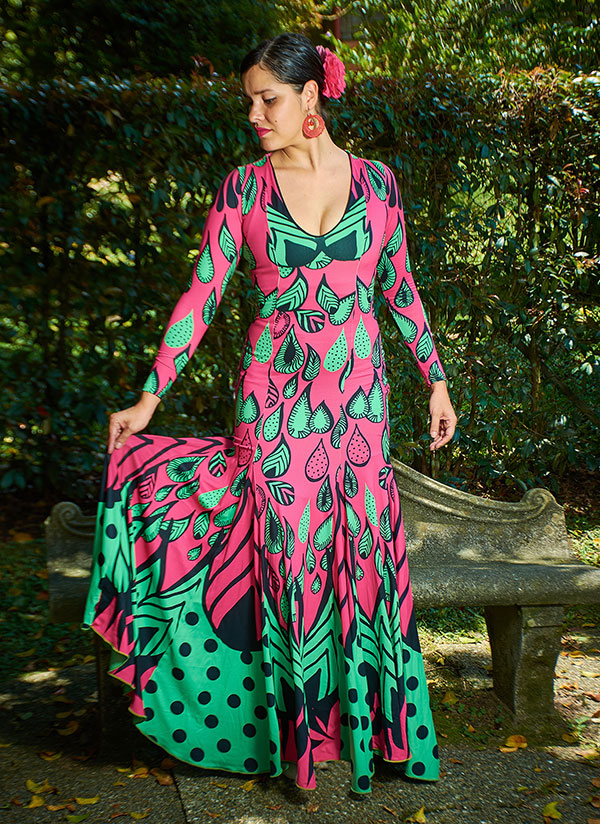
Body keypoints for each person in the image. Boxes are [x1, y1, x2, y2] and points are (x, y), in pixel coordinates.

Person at [83, 31, 457, 795]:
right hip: (275, 403)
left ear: (311, 95)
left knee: (363, 558)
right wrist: (150, 396)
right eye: (250, 101)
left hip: (360, 404)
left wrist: (436, 381)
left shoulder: (378, 184)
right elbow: (202, 294)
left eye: (268, 99)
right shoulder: (243, 190)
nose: (254, 115)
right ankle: (299, 748)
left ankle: (371, 736)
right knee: (290, 563)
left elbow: (400, 286)